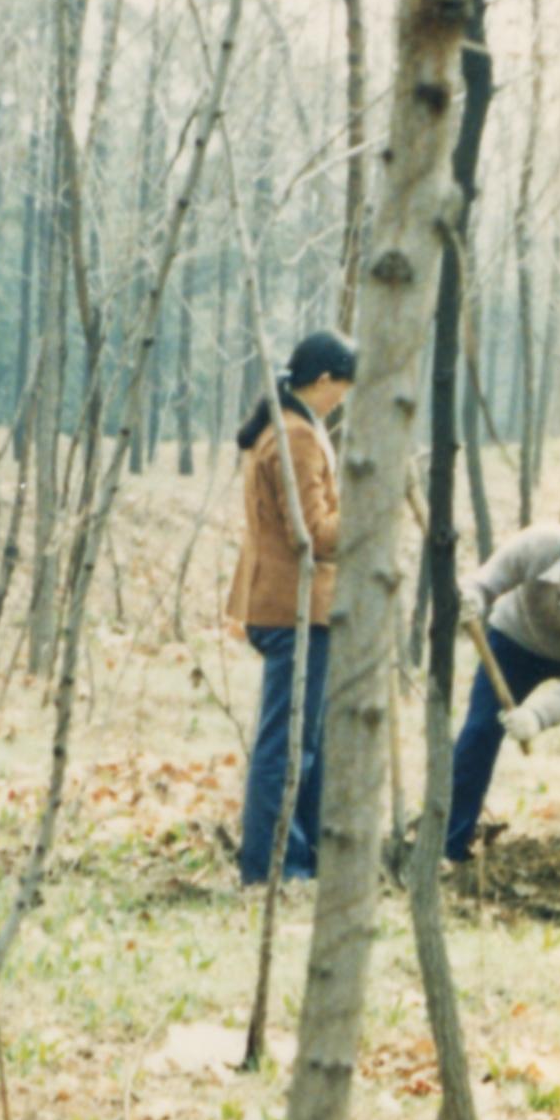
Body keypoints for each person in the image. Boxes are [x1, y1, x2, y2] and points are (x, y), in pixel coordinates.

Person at [225, 327, 358, 884]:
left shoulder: (292, 426)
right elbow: (315, 532)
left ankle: (299, 860)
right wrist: (369, 512)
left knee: (303, 741)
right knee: (288, 746)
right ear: (323, 381)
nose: (345, 400)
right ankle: (273, 868)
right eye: (343, 389)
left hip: (289, 605)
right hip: (291, 609)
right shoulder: (298, 435)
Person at [444, 523, 560, 863]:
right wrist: (471, 600)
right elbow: (483, 580)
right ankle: (451, 844)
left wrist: (538, 715)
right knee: (479, 732)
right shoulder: (539, 545)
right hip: (515, 641)